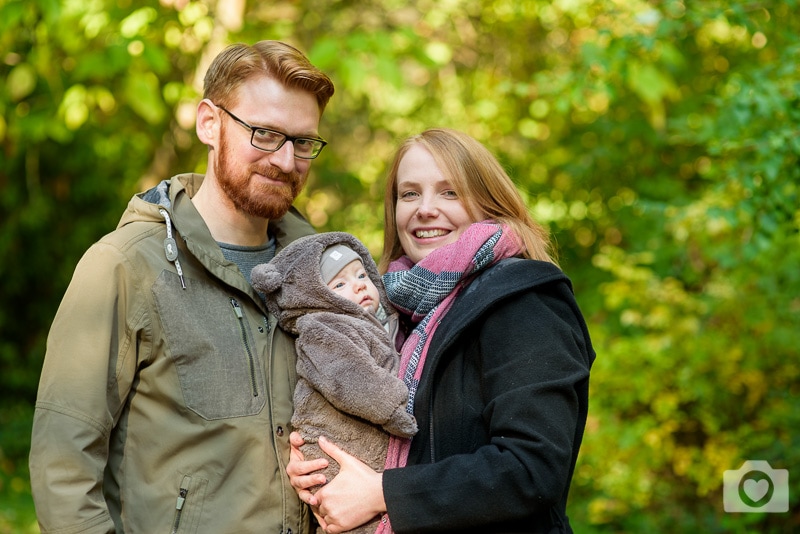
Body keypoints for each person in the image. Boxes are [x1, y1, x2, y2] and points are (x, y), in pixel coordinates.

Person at [29, 40, 334, 534]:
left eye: (302, 142)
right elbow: (62, 467)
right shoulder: (124, 266)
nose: (285, 160)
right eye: (264, 134)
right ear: (209, 123)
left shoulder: (319, 273)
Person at [287, 128, 596, 534]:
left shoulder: (524, 299)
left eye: (449, 193)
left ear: (488, 203)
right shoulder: (392, 315)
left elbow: (533, 467)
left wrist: (383, 494)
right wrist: (319, 462)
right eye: (410, 194)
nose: (425, 209)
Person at [251, 231, 418, 534]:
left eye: (361, 275)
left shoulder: (380, 322)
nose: (358, 286)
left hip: (367, 453)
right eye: (340, 284)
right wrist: (396, 409)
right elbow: (350, 379)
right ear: (318, 296)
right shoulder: (323, 327)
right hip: (337, 441)